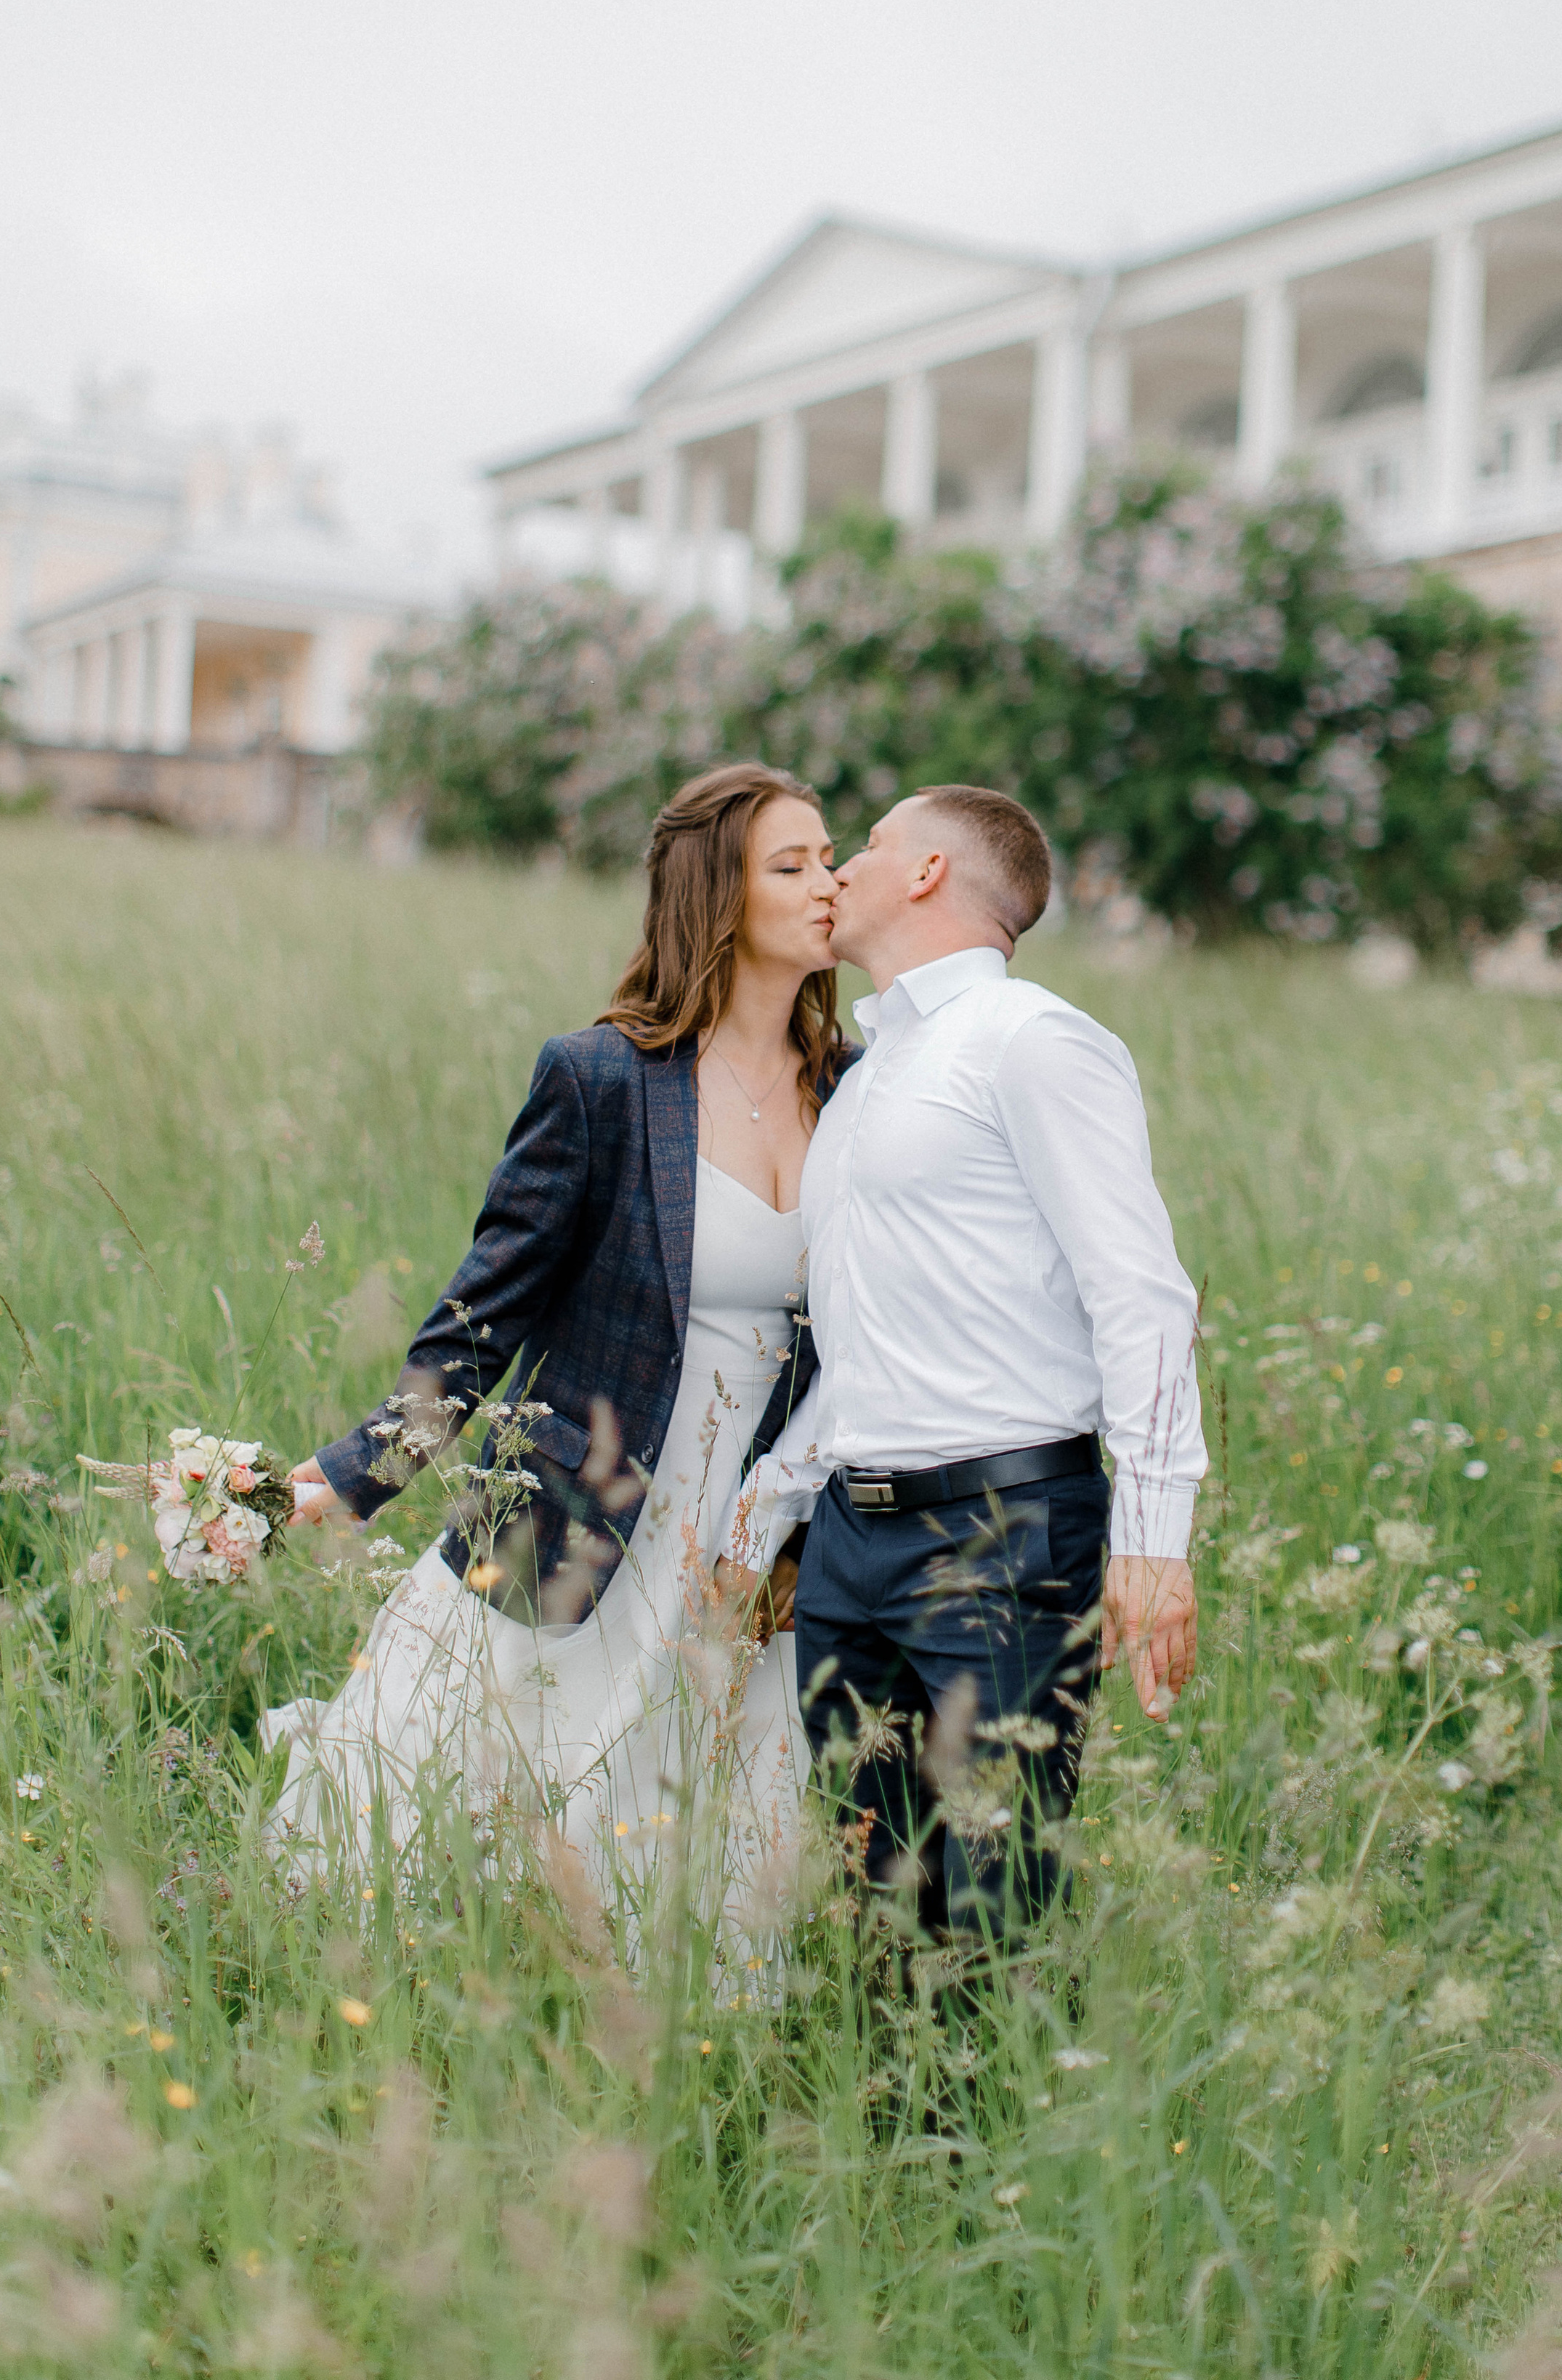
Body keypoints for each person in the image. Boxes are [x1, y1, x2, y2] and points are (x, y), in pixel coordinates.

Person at [264, 762, 848, 1937]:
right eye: (793, 865)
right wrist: (352, 1473)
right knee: (460, 1780)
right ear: (716, 899)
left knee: (687, 1810)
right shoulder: (603, 1081)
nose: (829, 885)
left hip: (752, 1530)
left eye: (830, 859)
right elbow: (486, 1313)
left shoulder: (858, 1089)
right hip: (572, 1500)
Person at [729, 783, 1205, 1942]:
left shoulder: (1031, 1042)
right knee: (867, 1895)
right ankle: (877, 2122)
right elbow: (869, 1336)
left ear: (931, 873)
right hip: (851, 1547)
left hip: (1002, 1532)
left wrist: (1154, 1536)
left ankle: (1000, 2121)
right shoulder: (864, 1077)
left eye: (870, 848)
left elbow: (1137, 1289)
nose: (839, 873)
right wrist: (775, 1513)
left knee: (993, 1901)